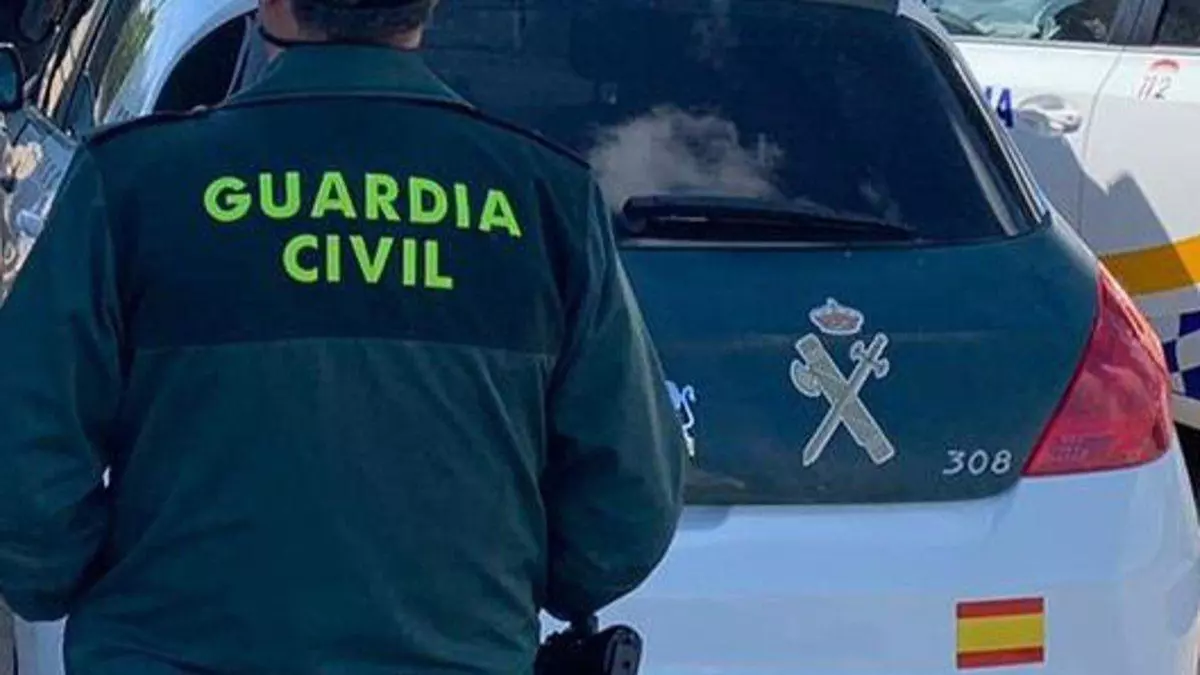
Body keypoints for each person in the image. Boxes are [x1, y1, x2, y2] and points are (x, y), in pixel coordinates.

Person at [0, 0, 687, 672]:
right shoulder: (545, 198)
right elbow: (628, 508)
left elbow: (24, 467)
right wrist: (486, 599)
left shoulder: (135, 183)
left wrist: (110, 591)